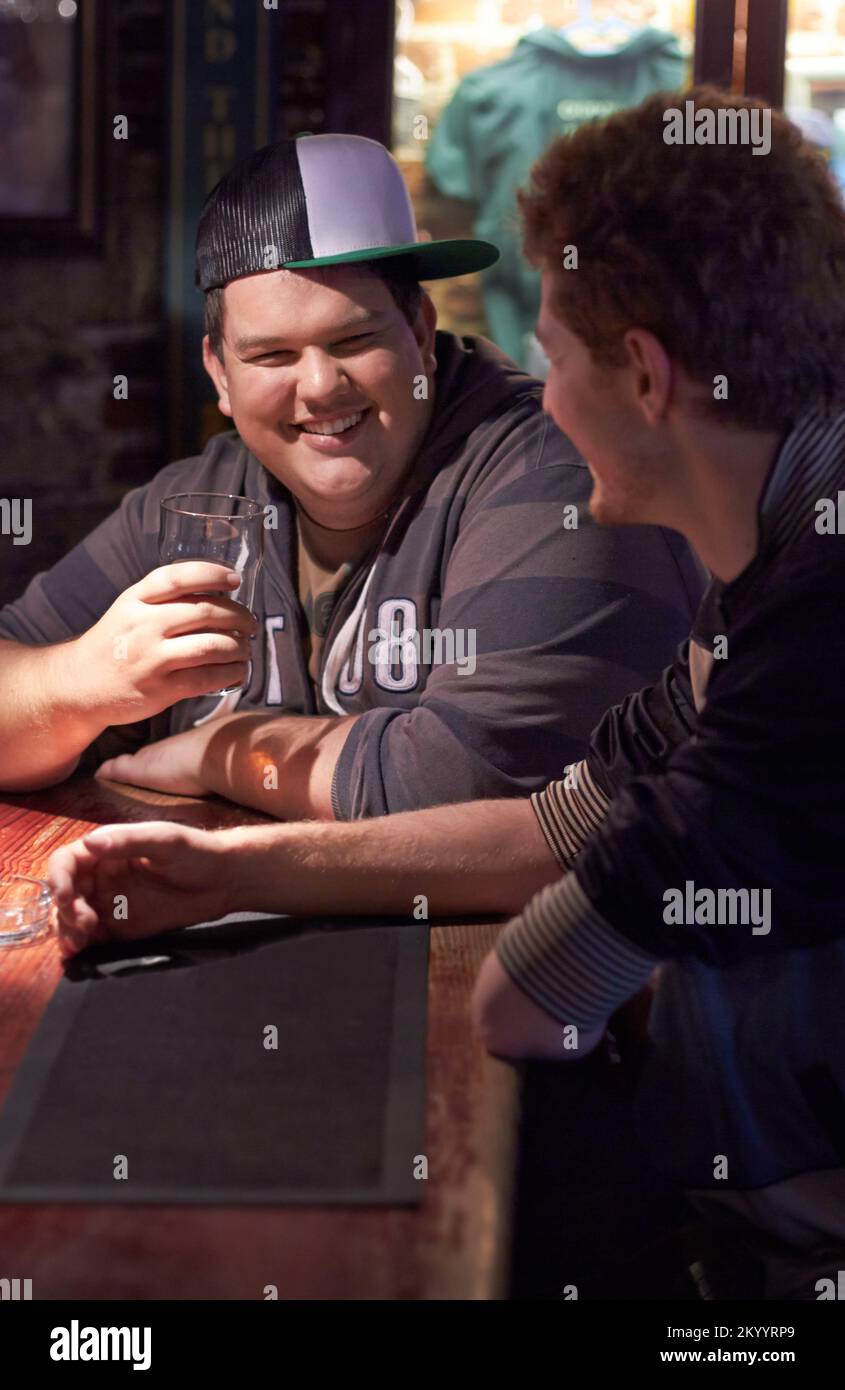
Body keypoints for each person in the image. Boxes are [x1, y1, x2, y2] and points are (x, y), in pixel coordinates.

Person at [48, 88, 845, 1295]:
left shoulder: (809, 630)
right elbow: (566, 822)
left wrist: (225, 763)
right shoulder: (767, 577)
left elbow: (530, 997)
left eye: (554, 353)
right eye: (269, 353)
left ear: (638, 374)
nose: (537, 388)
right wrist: (228, 871)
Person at [0, 133, 700, 820]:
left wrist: (225, 752)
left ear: (420, 333)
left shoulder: (556, 475)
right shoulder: (194, 506)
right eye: (271, 355)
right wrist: (84, 681)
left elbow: (484, 782)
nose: (319, 386)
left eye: (354, 340)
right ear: (219, 371)